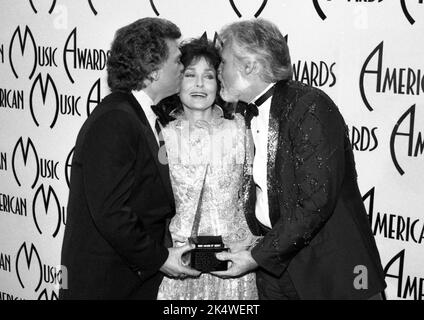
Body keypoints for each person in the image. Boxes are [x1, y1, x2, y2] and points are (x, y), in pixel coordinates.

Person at [212, 18, 387, 300]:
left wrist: (257, 255)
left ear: (249, 65)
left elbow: (316, 202)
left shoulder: (309, 106)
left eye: (223, 62)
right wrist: (256, 242)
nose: (218, 71)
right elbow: (271, 195)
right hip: (274, 271)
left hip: (332, 272)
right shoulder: (245, 114)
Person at [60, 18, 200, 300]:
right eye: (176, 61)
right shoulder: (116, 120)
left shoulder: (138, 115)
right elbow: (111, 212)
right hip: (105, 284)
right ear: (152, 69)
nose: (183, 68)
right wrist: (160, 258)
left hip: (128, 279)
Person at [156, 36, 258, 300]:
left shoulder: (239, 131)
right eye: (190, 75)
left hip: (234, 264)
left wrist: (252, 248)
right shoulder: (162, 138)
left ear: (219, 82)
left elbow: (255, 195)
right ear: (176, 80)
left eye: (209, 76)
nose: (199, 84)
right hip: (180, 264)